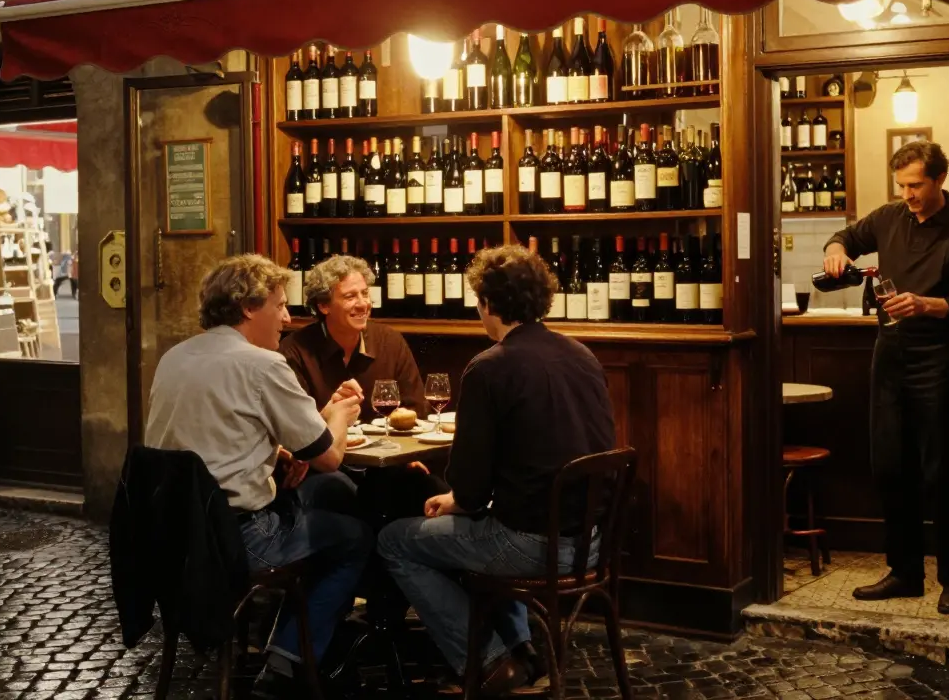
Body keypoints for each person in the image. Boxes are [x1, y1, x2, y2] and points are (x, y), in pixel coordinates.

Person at [378, 244, 615, 694]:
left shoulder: (489, 367)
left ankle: (489, 663)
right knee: (483, 523)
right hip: (591, 542)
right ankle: (522, 650)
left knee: (395, 542)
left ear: (487, 304)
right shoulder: (581, 355)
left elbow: (468, 488)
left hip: (532, 546)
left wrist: (456, 501)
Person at [144, 254, 372, 695]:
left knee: (322, 499)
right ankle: (289, 660)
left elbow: (208, 437)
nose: (287, 318)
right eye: (280, 305)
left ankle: (295, 636)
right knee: (353, 534)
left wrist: (281, 452)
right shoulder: (262, 365)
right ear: (249, 308)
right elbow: (329, 457)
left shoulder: (174, 356)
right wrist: (341, 414)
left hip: (169, 538)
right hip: (236, 540)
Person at [822, 141, 949, 615]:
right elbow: (846, 237)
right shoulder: (889, 217)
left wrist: (926, 305)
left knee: (944, 472)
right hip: (890, 356)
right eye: (902, 186)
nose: (908, 194)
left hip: (939, 359)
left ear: (939, 180)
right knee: (891, 468)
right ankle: (905, 572)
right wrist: (835, 251)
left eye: (916, 185)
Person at [279, 253, 445, 522]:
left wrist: (403, 455)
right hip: (326, 469)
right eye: (350, 296)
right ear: (323, 305)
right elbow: (296, 431)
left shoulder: (389, 341)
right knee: (345, 497)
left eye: (365, 294)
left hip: (387, 466)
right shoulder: (295, 352)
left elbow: (416, 409)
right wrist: (333, 413)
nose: (363, 304)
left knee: (432, 490)